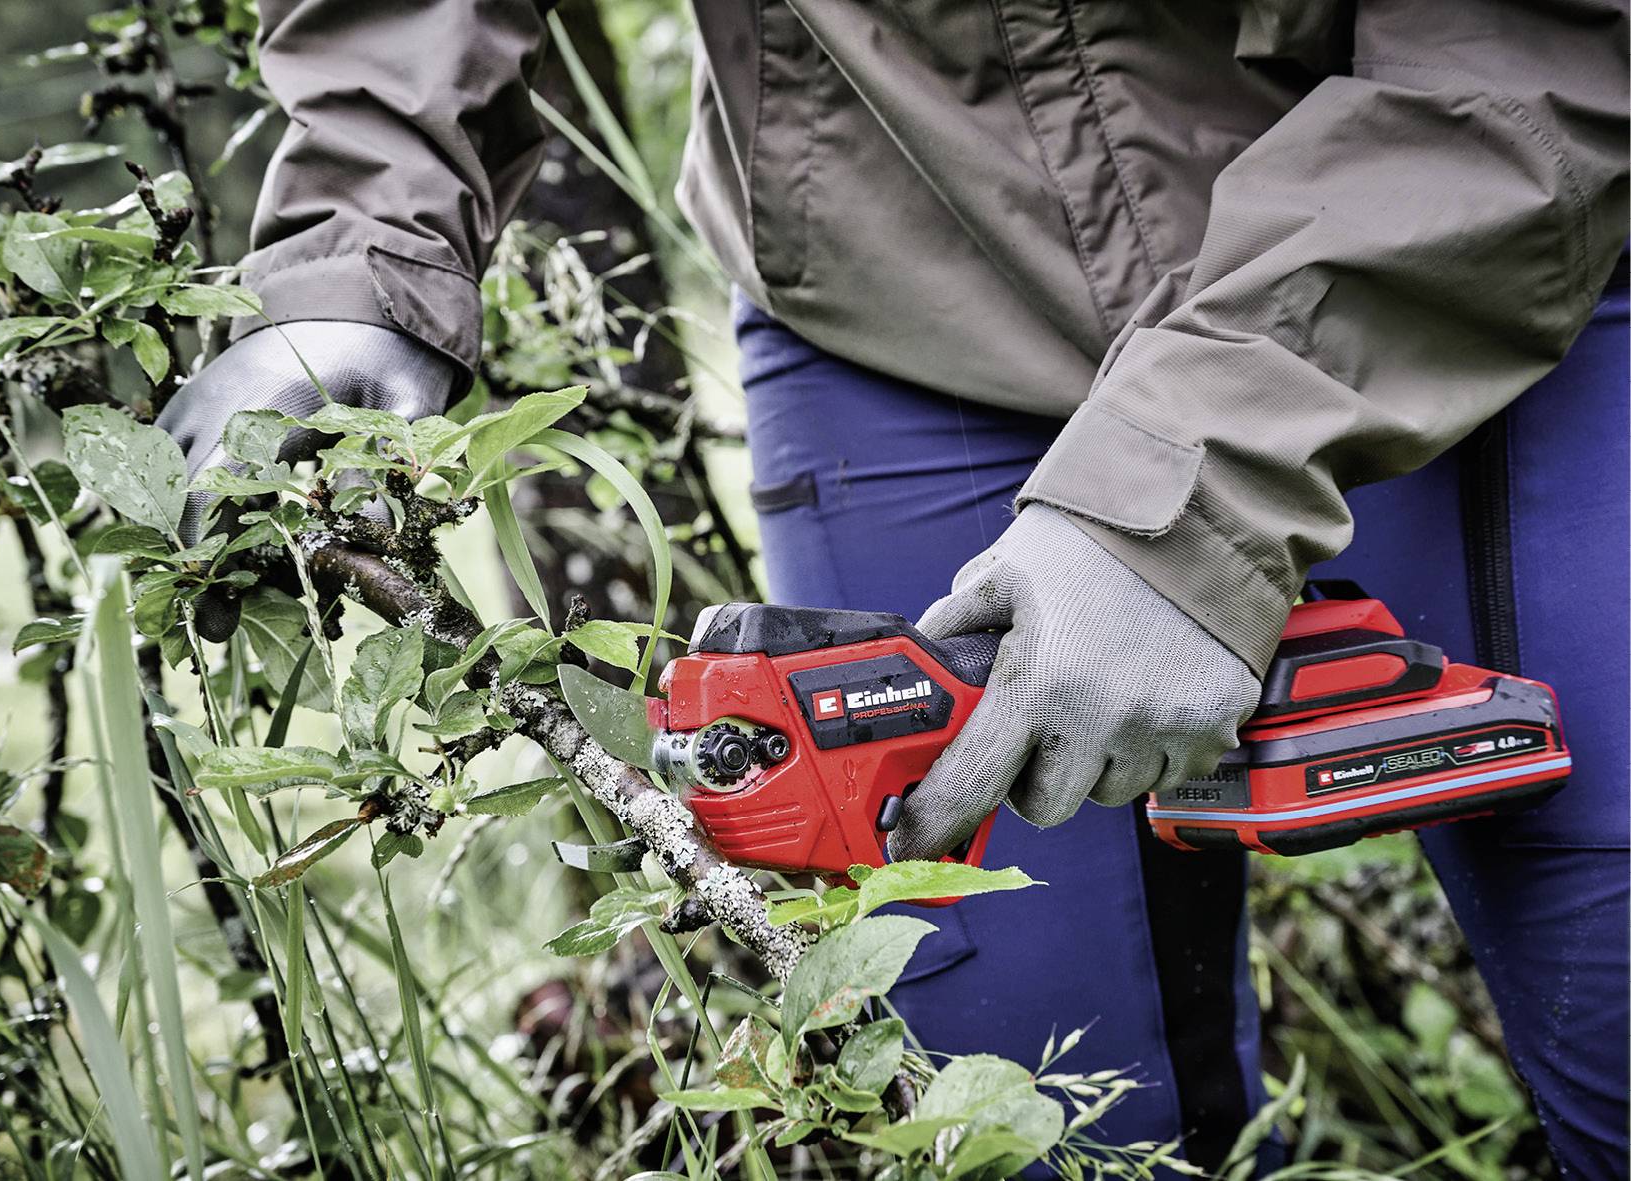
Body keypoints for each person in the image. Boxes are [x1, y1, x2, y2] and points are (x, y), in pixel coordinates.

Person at [155, 1, 1629, 1174]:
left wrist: (1190, 496)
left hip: (1484, 233)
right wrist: (370, 240)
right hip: (899, 275)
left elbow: (1531, 49)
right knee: (1021, 1115)